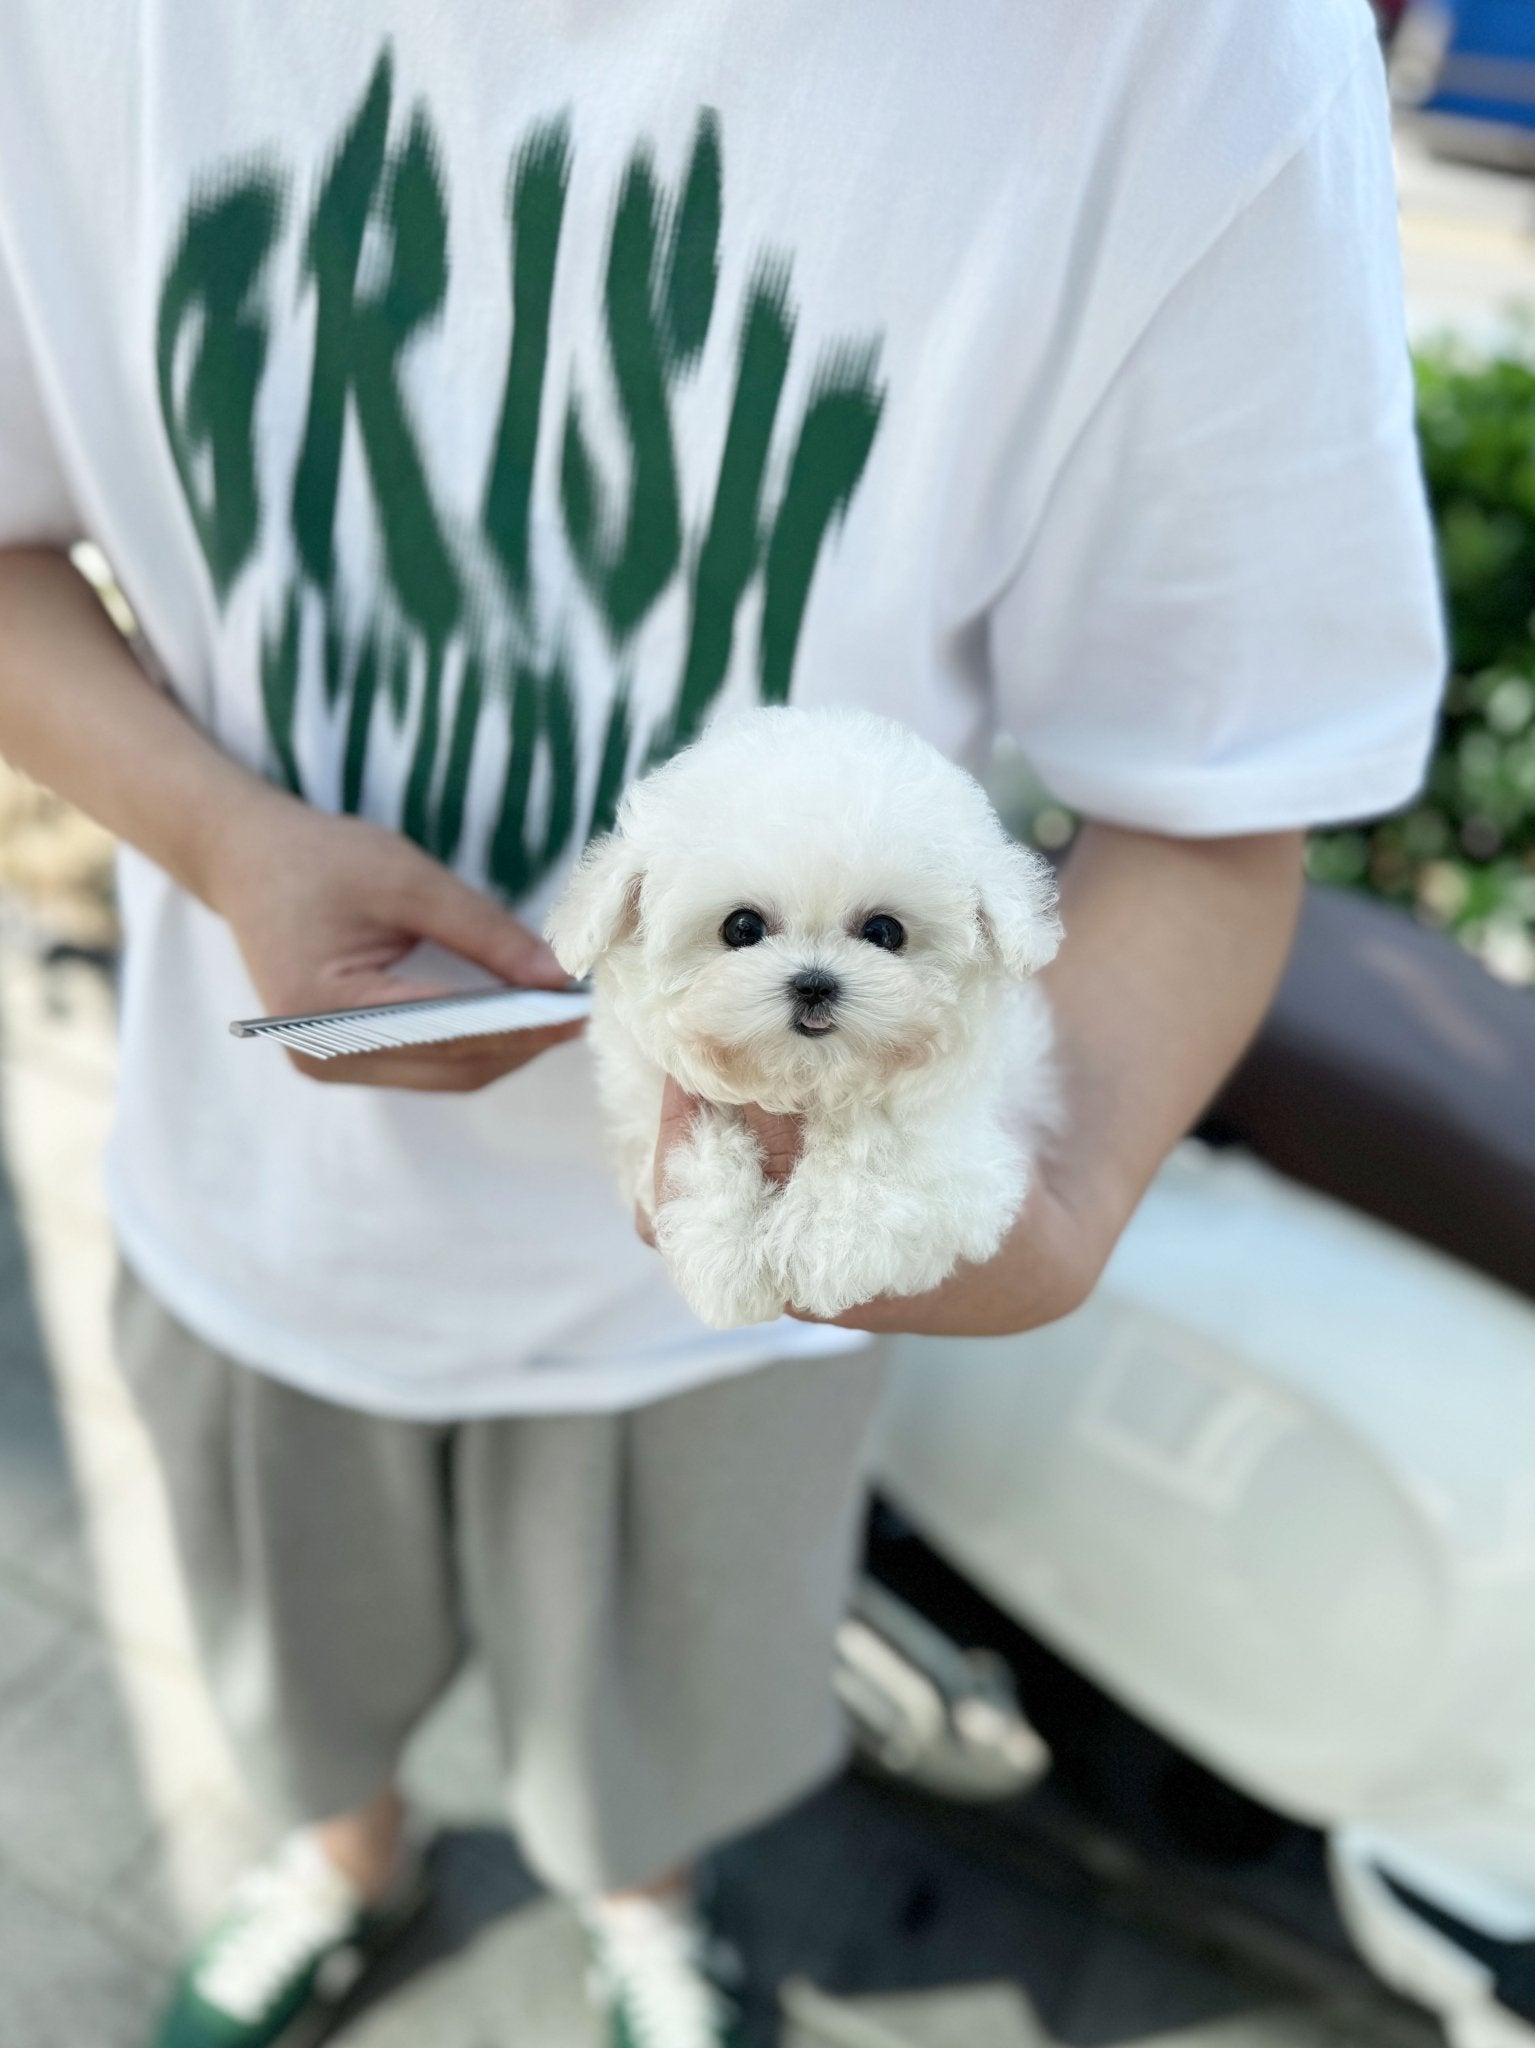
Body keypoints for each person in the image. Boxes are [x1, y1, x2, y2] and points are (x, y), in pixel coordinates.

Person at [0, 2, 1445, 2043]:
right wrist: (227, 841)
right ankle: (343, 1859)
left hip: (740, 1293)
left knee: (657, 1720)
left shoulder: (1185, 54)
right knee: (298, 1669)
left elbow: (1222, 790)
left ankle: (643, 1912)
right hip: (256, 1189)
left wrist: (1063, 1172)